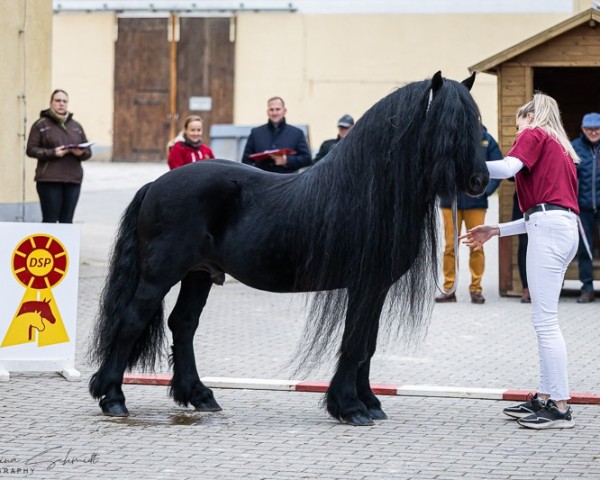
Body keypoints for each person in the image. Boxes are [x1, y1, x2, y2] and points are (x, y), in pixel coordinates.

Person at [461, 92, 579, 429]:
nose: (516, 135)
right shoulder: (562, 149)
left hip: (548, 230)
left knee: (545, 322)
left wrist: (465, 164)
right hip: (559, 228)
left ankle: (559, 406)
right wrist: (495, 229)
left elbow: (508, 167)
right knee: (545, 320)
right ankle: (545, 397)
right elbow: (542, 212)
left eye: (517, 125)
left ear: (531, 116)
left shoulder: (535, 133)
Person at [435, 126, 502, 304]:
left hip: (476, 203)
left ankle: (476, 289)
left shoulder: (486, 140)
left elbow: (498, 169)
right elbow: (435, 165)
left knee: (477, 245)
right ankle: (449, 289)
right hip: (451, 202)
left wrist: (485, 191)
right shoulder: (447, 138)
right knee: (450, 246)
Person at [26, 89, 92, 223]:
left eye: (64, 101)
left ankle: (65, 245)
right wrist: (53, 153)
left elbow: (88, 152)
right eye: (57, 100)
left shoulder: (76, 126)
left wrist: (81, 153)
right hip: (49, 179)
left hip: (73, 180)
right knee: (50, 220)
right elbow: (31, 150)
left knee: (67, 221)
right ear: (51, 103)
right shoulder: (41, 125)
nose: (61, 104)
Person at [572, 112, 600, 303]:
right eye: (589, 129)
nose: (593, 132)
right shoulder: (574, 148)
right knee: (584, 249)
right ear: (582, 129)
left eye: (596, 128)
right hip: (582, 208)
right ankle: (587, 288)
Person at [241, 97, 311, 173]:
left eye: (278, 109)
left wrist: (286, 160)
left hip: (288, 182)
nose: (274, 113)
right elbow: (246, 160)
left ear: (284, 111)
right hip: (262, 181)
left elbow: (307, 159)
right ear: (267, 112)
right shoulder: (255, 133)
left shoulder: (297, 133)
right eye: (271, 109)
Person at [511, 190, 530, 303]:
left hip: (544, 204)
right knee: (524, 246)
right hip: (522, 204)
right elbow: (509, 176)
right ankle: (526, 288)